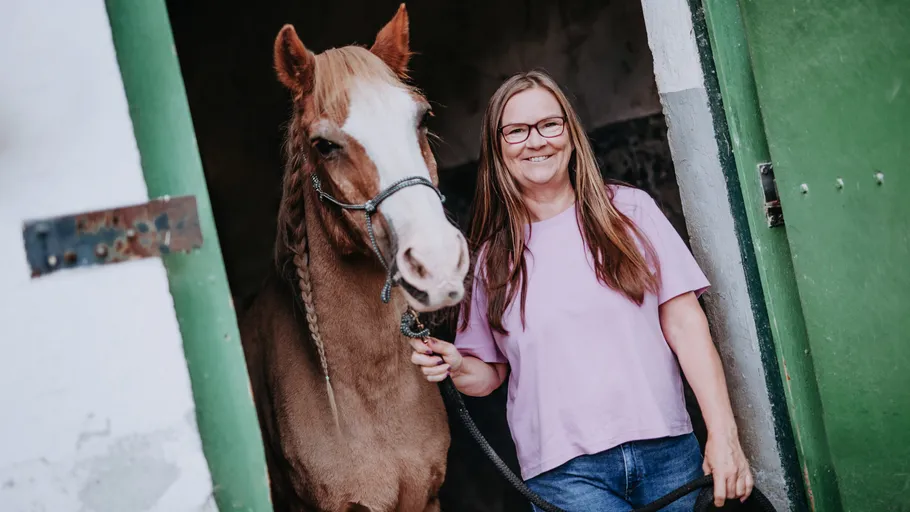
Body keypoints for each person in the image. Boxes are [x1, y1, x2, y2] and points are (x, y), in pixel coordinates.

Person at [409, 70, 754, 511]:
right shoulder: (492, 257)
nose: (536, 141)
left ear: (571, 133)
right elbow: (488, 375)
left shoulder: (630, 213)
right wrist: (457, 365)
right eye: (516, 131)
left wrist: (724, 435)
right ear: (497, 148)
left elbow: (687, 327)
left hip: (668, 453)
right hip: (566, 477)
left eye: (550, 124)